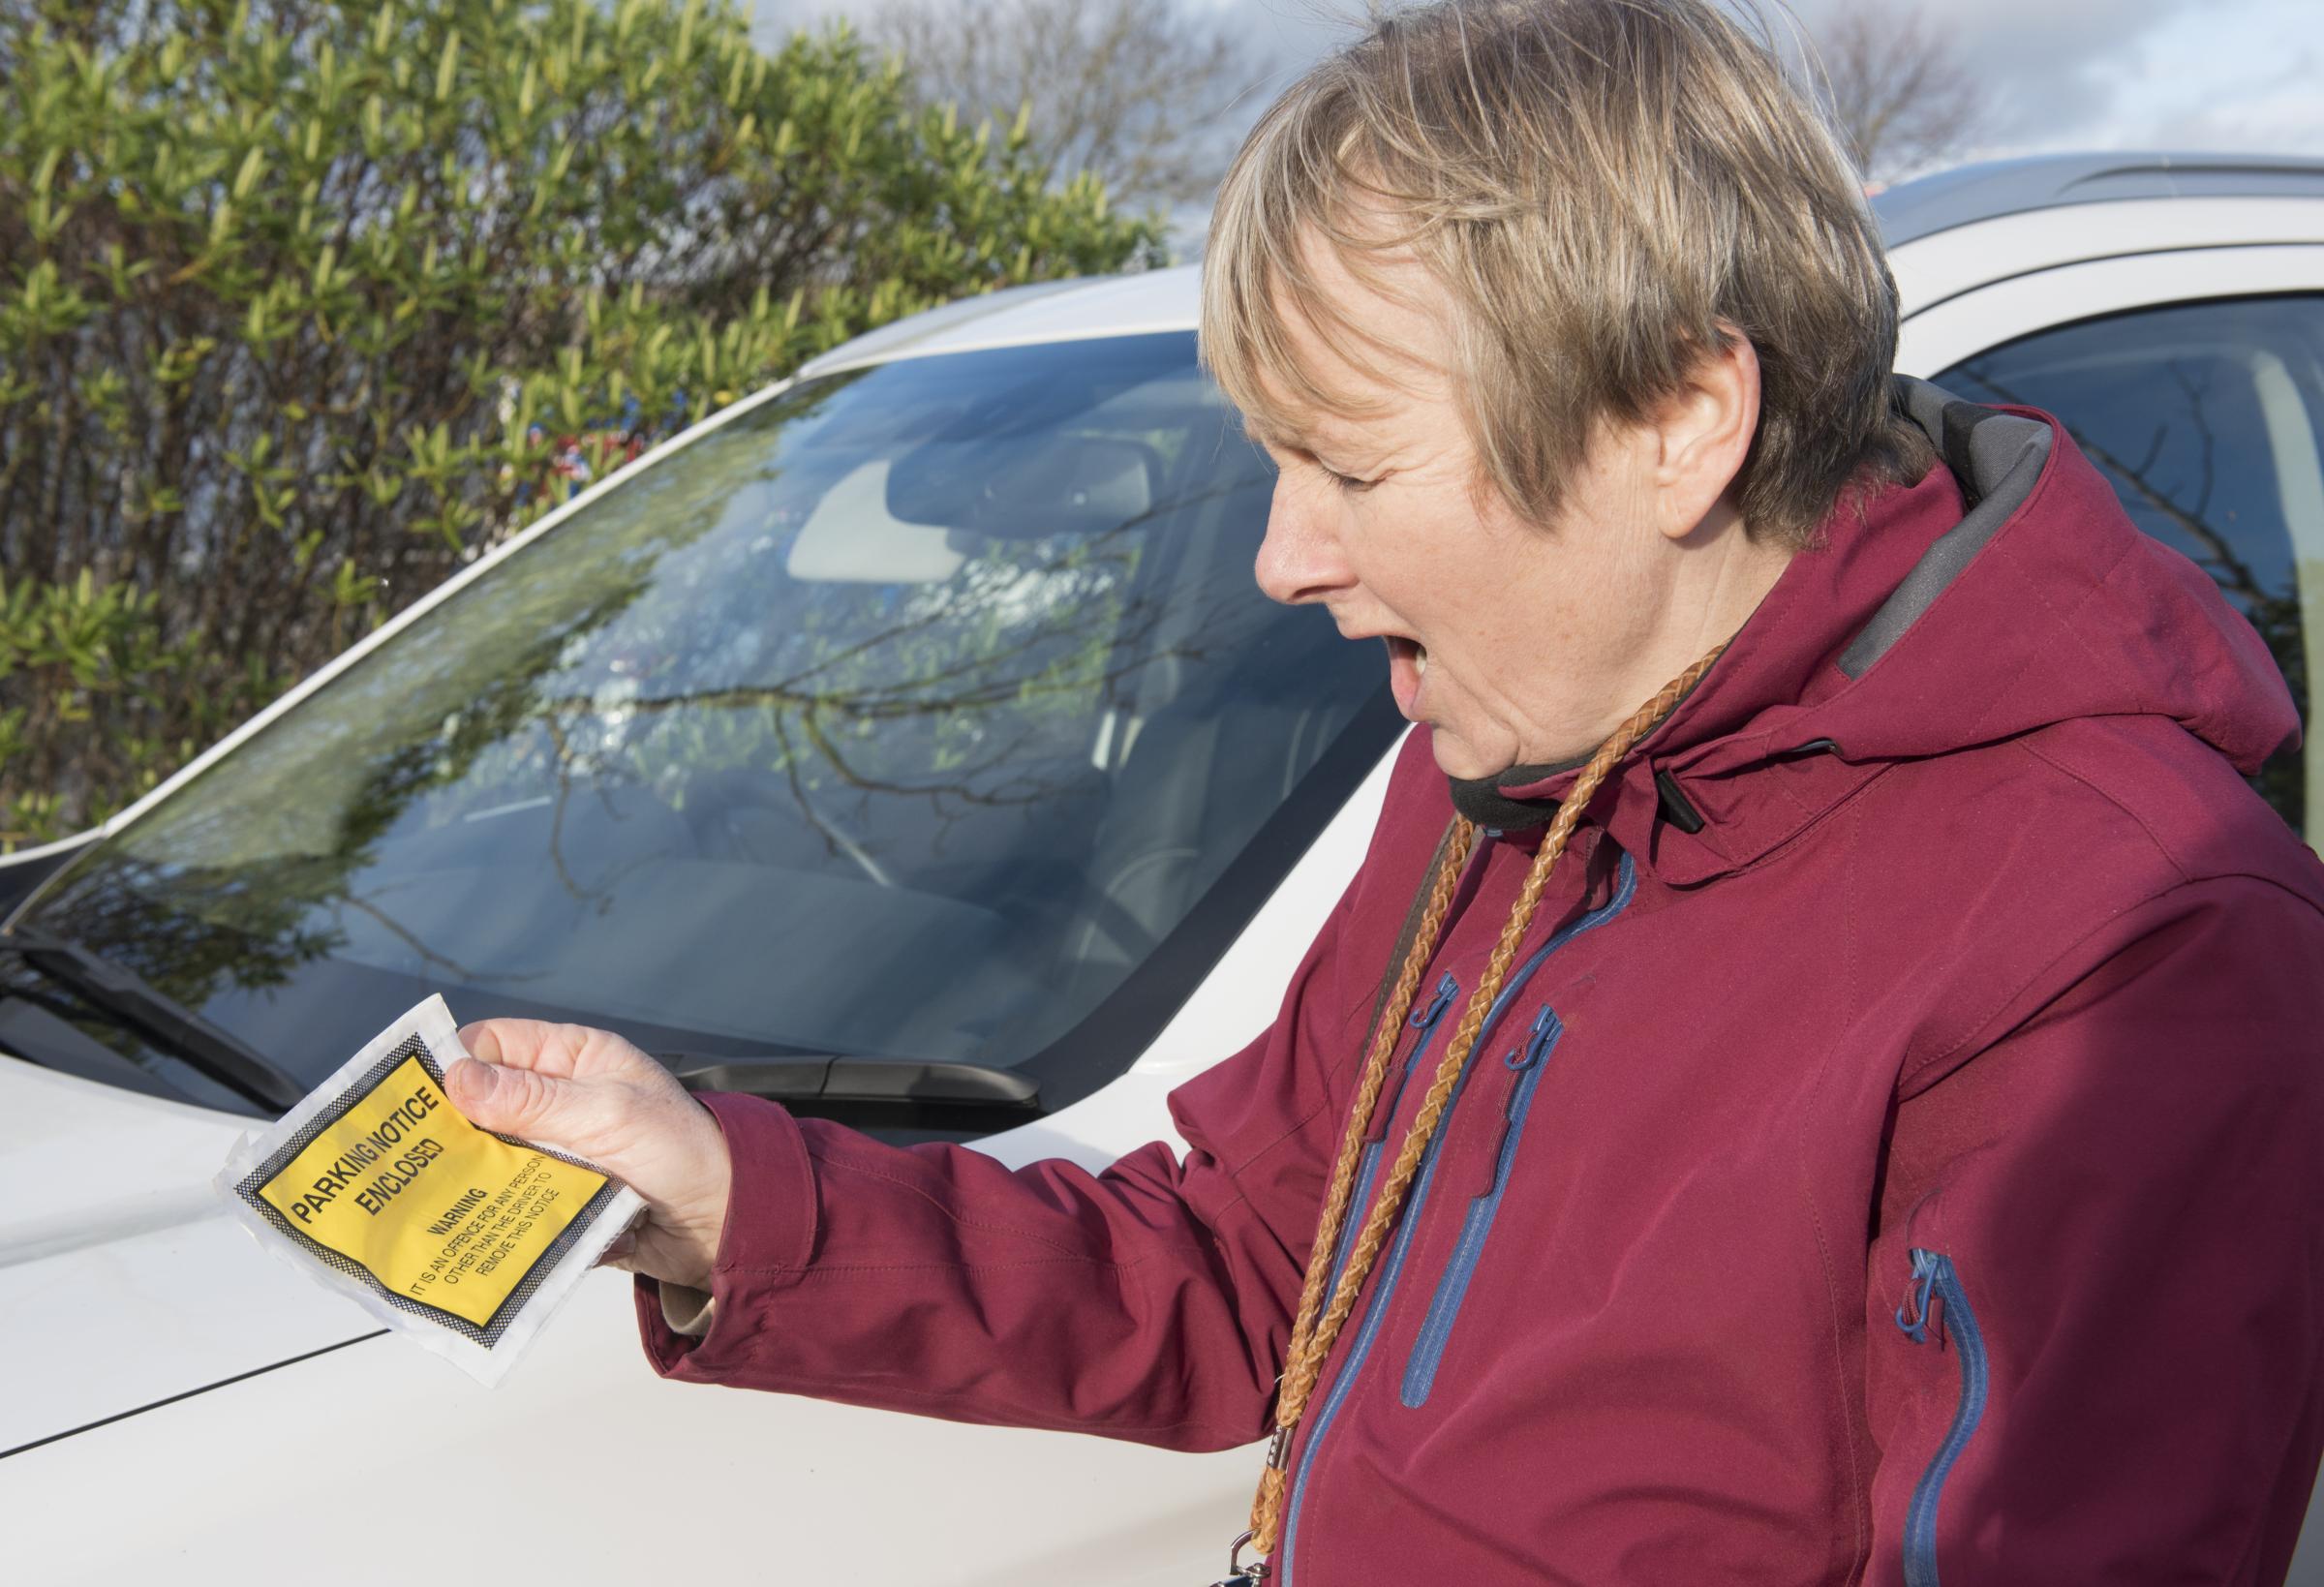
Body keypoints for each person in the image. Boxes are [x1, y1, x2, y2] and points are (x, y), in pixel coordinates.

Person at [443, 1, 2324, 1580]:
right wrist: (723, 1198)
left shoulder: (2128, 948)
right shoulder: (1516, 776)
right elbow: (1255, 1264)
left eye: (1345, 461)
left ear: (1679, 417)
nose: (1283, 558)